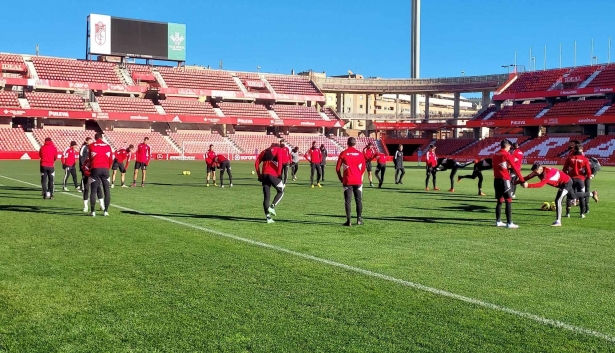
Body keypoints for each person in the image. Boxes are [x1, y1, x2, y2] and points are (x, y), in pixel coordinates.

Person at [523, 162, 598, 227]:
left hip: (566, 183)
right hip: (566, 181)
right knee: (573, 196)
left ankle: (558, 221)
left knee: (558, 200)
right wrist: (515, 182)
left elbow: (541, 184)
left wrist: (528, 185)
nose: (535, 173)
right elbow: (526, 177)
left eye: (536, 172)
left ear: (540, 168)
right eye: (535, 172)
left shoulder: (547, 172)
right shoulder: (538, 171)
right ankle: (592, 194)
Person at [493, 140, 524, 229]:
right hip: (505, 180)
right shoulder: (507, 155)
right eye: (509, 147)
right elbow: (515, 168)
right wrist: (522, 180)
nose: (510, 148)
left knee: (499, 201)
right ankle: (510, 223)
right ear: (507, 146)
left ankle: (498, 221)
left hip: (496, 180)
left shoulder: (495, 154)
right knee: (508, 200)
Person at [336, 137, 366, 226]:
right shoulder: (360, 154)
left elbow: (337, 168)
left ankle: (348, 221)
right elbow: (364, 168)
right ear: (355, 143)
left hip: (347, 181)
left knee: (347, 201)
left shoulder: (343, 153)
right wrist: (358, 175)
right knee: (358, 200)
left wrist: (341, 178)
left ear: (347, 143)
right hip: (358, 180)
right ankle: (359, 219)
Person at [255, 143, 284, 224]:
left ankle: (268, 218)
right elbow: (280, 162)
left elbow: (256, 163)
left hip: (264, 175)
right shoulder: (279, 149)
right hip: (272, 175)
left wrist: (259, 175)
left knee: (266, 197)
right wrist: (279, 173)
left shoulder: (264, 151)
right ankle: (272, 206)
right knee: (281, 191)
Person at [563, 145, 593, 217]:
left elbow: (564, 169)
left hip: (570, 179)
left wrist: (567, 176)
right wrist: (587, 177)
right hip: (580, 180)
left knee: (569, 196)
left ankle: (568, 213)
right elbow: (588, 171)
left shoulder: (569, 158)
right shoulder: (585, 159)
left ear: (574, 150)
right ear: (581, 150)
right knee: (581, 196)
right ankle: (582, 214)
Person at [88, 133, 113, 217]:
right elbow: (110, 159)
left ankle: (92, 211)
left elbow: (90, 159)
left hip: (95, 169)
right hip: (105, 169)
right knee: (107, 191)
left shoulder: (91, 146)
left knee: (94, 190)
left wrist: (92, 168)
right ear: (101, 138)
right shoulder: (108, 146)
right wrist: (107, 168)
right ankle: (105, 211)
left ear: (95, 138)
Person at [80, 137, 104, 212]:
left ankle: (101, 205)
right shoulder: (84, 147)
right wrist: (83, 169)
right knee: (86, 189)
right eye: (89, 140)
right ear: (86, 141)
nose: (91, 142)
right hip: (86, 169)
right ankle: (86, 206)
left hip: (95, 170)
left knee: (98, 188)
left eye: (91, 140)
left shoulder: (94, 147)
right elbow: (81, 158)